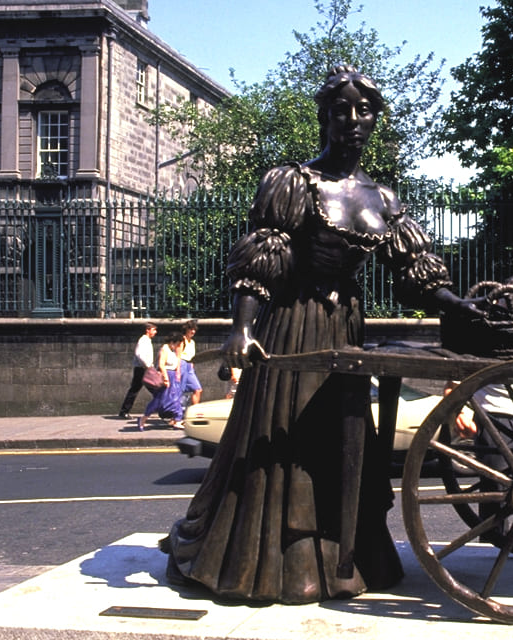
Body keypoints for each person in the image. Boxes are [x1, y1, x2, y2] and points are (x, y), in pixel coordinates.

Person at [161, 65, 481, 605]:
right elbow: (262, 257)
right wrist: (242, 326)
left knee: (345, 443)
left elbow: (414, 270)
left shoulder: (382, 197)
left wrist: (455, 303)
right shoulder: (293, 182)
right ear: (324, 117)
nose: (353, 120)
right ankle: (271, 564)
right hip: (292, 328)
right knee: (284, 444)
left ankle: (346, 557)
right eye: (341, 110)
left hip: (347, 329)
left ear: (376, 119)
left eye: (364, 110)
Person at [138, 333, 185, 431]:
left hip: (172, 377)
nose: (178, 347)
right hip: (167, 376)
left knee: (176, 399)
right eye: (177, 344)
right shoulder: (165, 349)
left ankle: (177, 420)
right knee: (159, 400)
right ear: (173, 342)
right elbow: (161, 364)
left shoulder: (171, 350)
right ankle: (144, 418)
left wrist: (177, 373)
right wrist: (166, 378)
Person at [118, 322, 157, 419]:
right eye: (153, 330)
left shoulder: (146, 340)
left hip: (144, 368)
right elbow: (139, 354)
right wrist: (147, 365)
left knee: (145, 389)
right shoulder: (143, 340)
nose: (155, 332)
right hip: (142, 369)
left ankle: (124, 411)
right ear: (147, 330)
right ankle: (124, 411)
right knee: (153, 389)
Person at [179, 319, 202, 405]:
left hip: (189, 365)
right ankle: (176, 413)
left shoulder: (192, 342)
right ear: (186, 329)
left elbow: (192, 356)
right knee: (180, 389)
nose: (193, 331)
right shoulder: (182, 340)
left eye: (194, 330)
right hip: (182, 363)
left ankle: (194, 411)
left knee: (197, 389)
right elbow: (178, 355)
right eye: (191, 329)